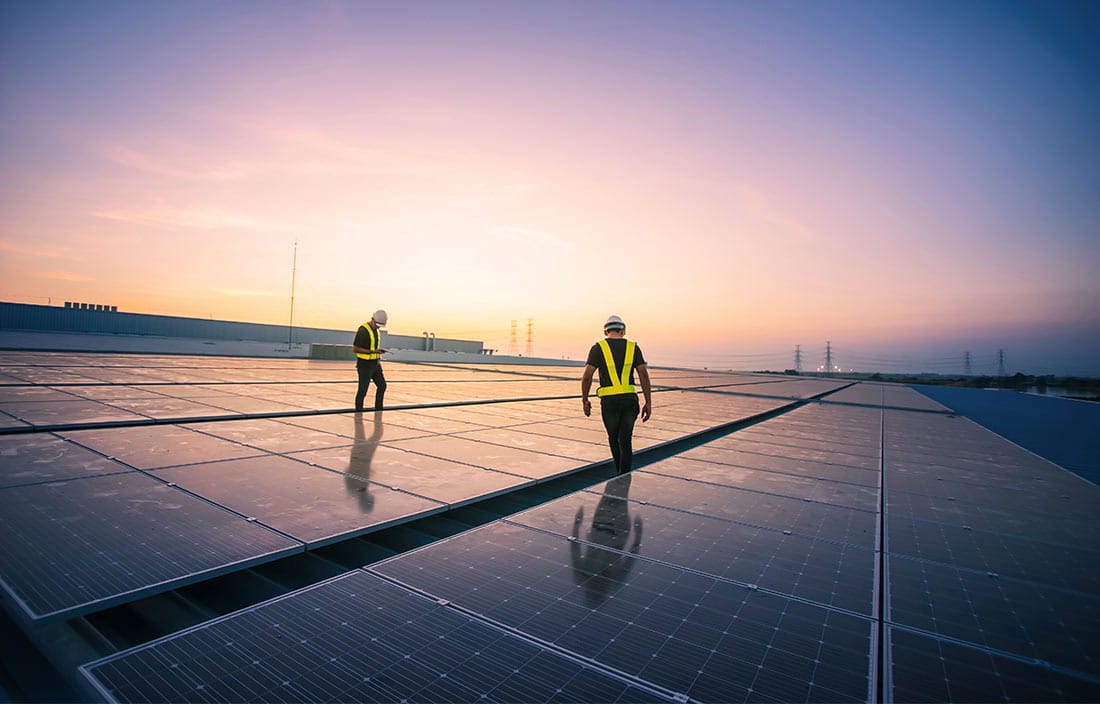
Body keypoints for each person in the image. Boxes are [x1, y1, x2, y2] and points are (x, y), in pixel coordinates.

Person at [580, 314, 652, 474]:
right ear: (623, 330)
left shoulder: (598, 348)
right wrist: (648, 402)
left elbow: (587, 376)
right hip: (629, 402)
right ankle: (624, 475)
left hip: (609, 403)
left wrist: (585, 399)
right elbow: (644, 375)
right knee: (625, 440)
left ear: (606, 331)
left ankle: (620, 474)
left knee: (614, 439)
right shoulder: (633, 347)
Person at [353, 310, 389, 411]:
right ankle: (358, 412)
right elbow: (355, 349)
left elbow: (373, 346)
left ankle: (379, 409)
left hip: (375, 364)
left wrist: (377, 355)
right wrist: (372, 352)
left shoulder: (376, 331)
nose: (378, 327)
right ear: (372, 319)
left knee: (382, 386)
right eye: (377, 325)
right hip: (364, 365)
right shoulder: (363, 330)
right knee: (363, 390)